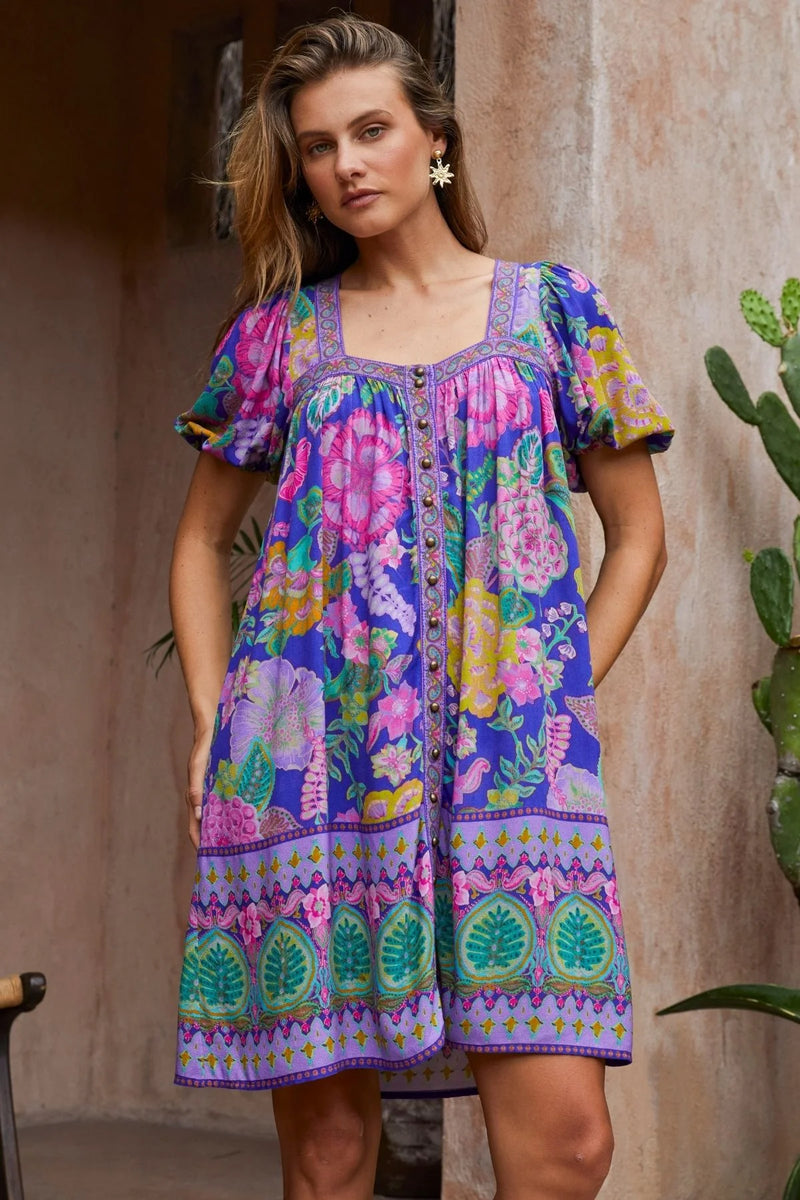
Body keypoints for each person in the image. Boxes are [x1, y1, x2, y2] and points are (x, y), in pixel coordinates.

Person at [169, 13, 674, 1200]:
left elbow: (639, 538)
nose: (343, 164)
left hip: (513, 778)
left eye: (371, 130)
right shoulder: (280, 339)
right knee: (334, 1159)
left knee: (566, 1143)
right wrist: (209, 725)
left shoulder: (551, 312)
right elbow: (197, 543)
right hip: (310, 774)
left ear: (431, 139)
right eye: (315, 146)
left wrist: (550, 693)